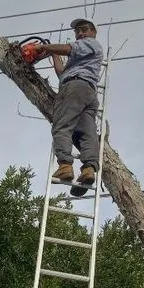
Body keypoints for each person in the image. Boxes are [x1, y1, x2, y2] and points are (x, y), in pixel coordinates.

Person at [33, 18, 104, 192]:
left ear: (93, 32)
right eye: (78, 31)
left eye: (84, 29)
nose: (80, 33)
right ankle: (88, 169)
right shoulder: (81, 59)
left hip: (74, 88)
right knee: (86, 134)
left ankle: (65, 165)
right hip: (88, 93)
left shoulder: (91, 44)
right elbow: (62, 74)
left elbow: (69, 49)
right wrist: (54, 54)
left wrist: (43, 48)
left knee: (62, 126)